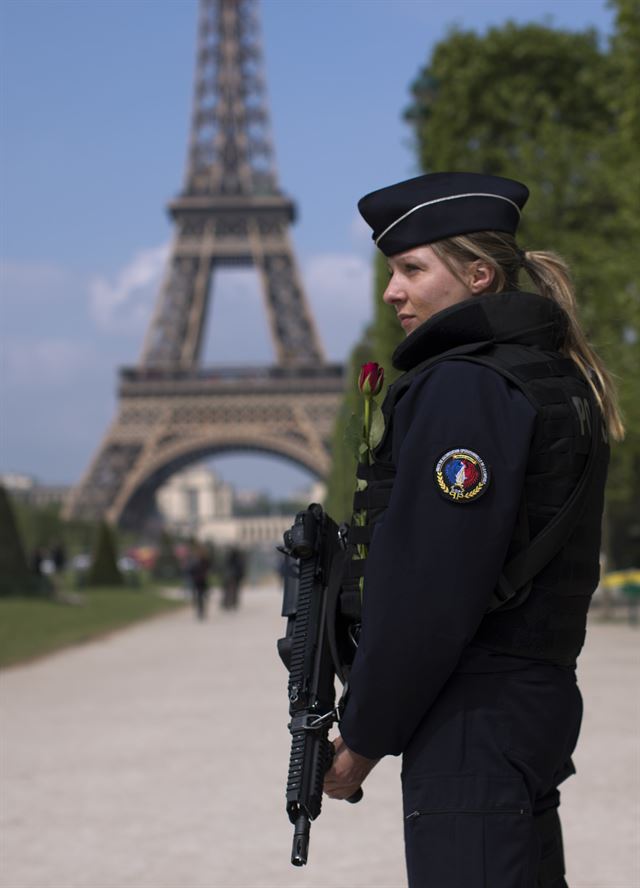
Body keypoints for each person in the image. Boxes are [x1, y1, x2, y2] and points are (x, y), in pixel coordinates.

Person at [323, 172, 623, 887]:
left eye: (411, 269)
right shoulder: (546, 374)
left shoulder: (466, 387)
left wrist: (362, 737)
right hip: (530, 699)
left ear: (479, 275)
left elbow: (431, 589)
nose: (392, 291)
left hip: (474, 716)